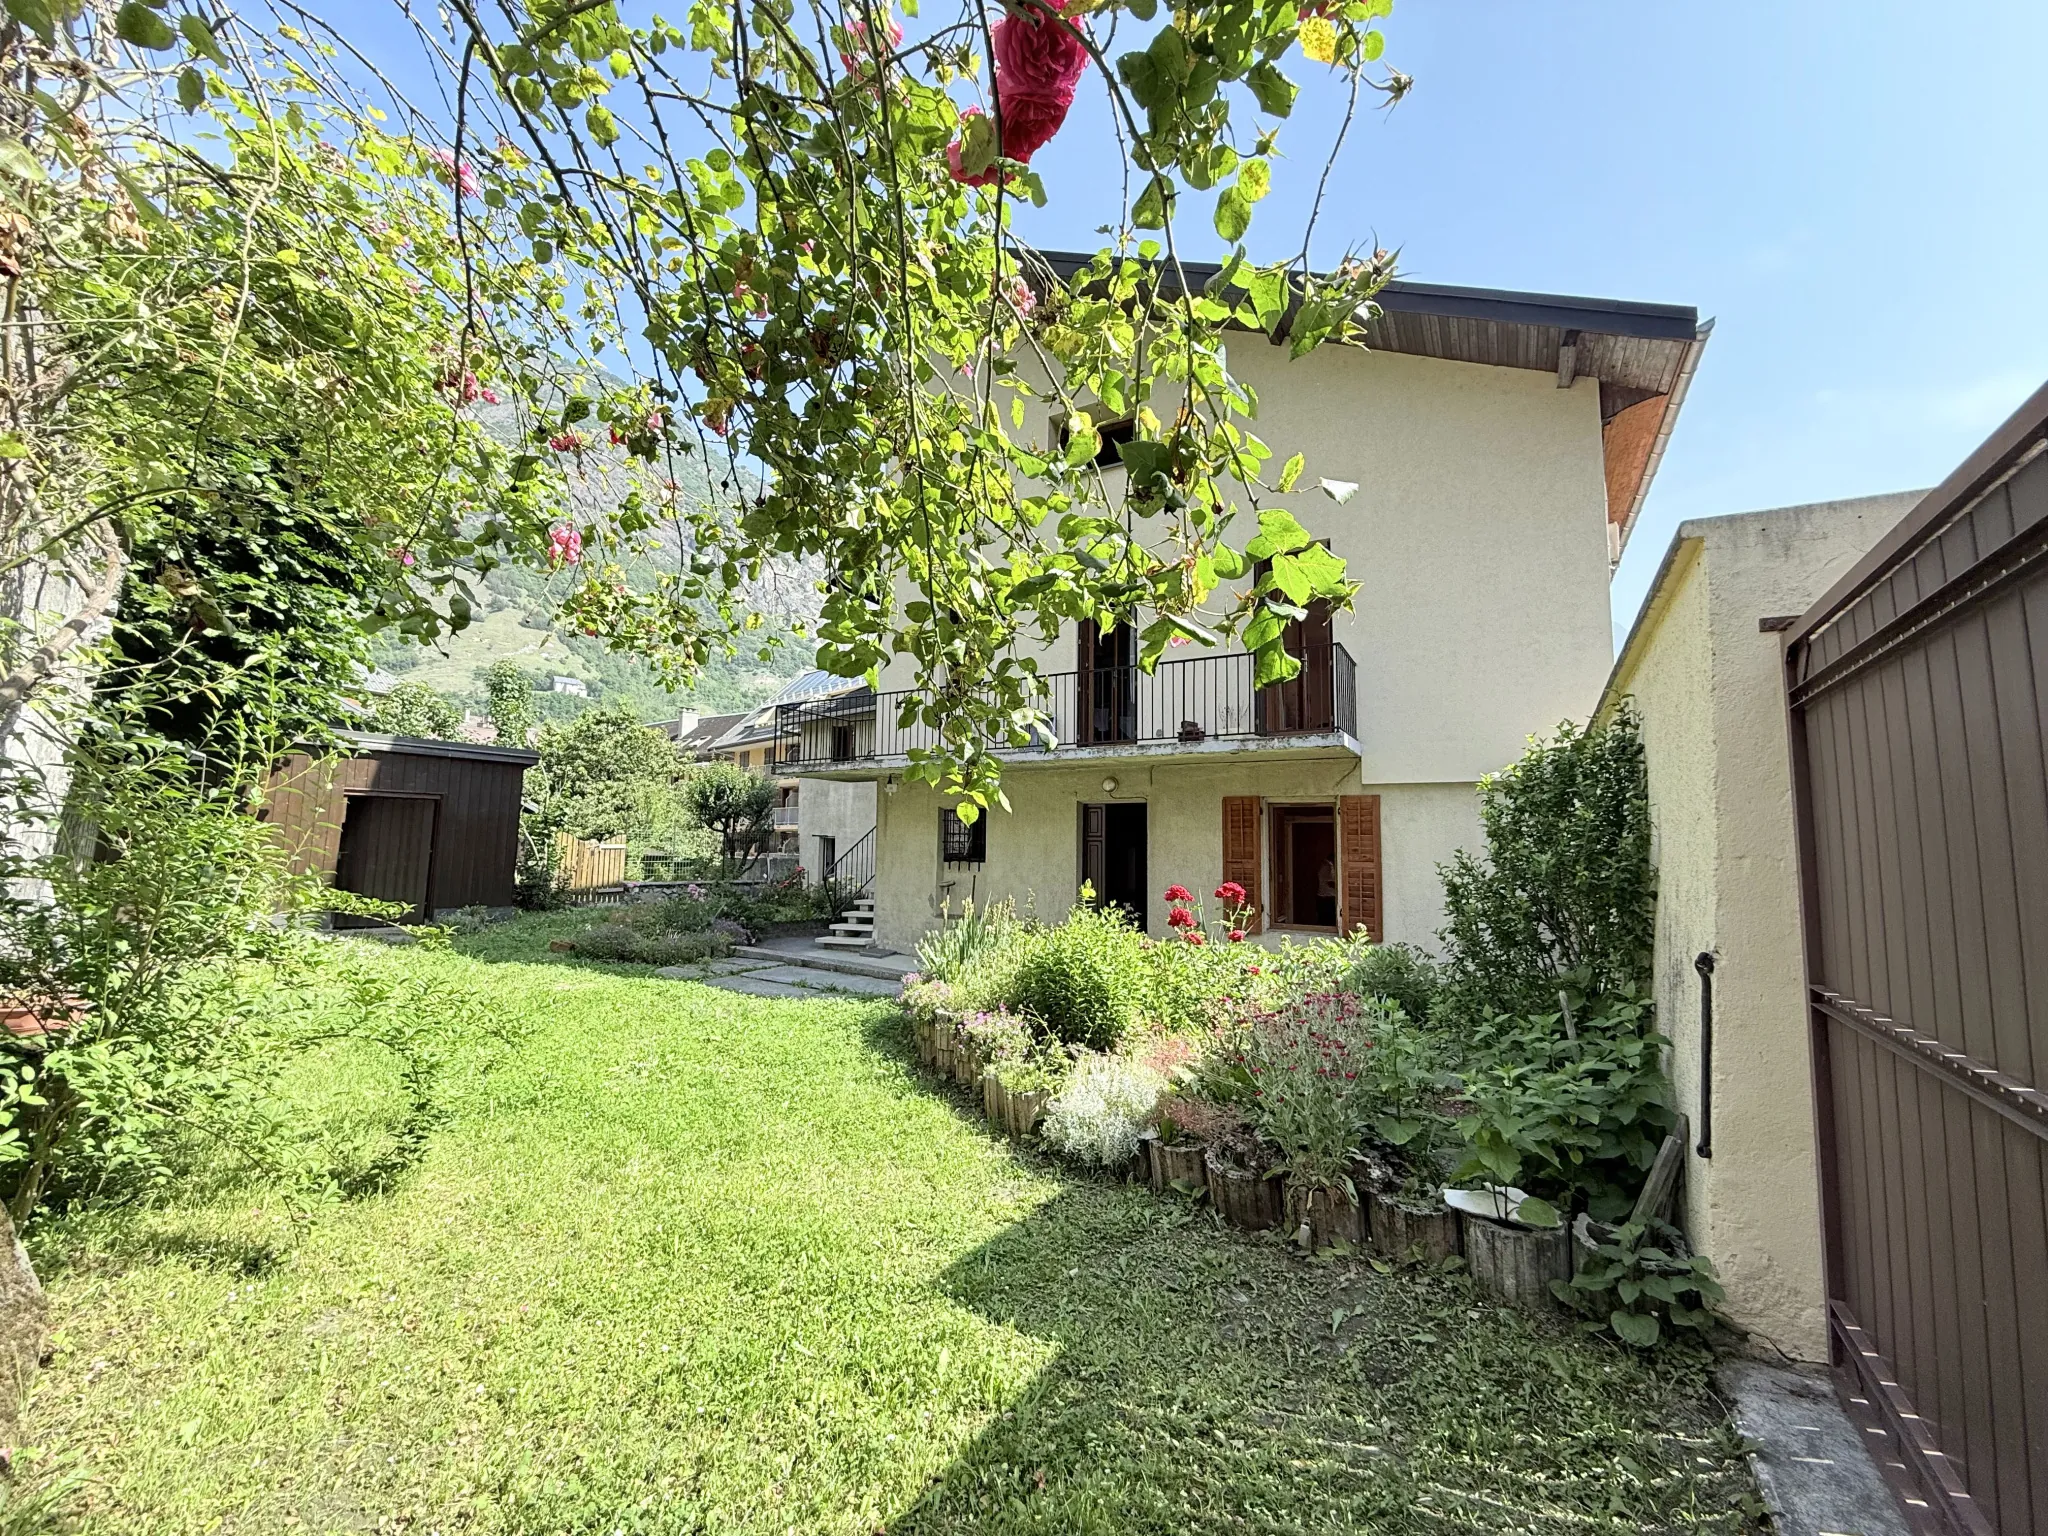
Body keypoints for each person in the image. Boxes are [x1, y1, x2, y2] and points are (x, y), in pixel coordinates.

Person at [1316, 855, 1338, 927]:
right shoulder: (1327, 866)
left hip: (1327, 896)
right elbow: (1330, 883)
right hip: (1327, 897)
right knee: (1327, 920)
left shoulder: (1328, 865)